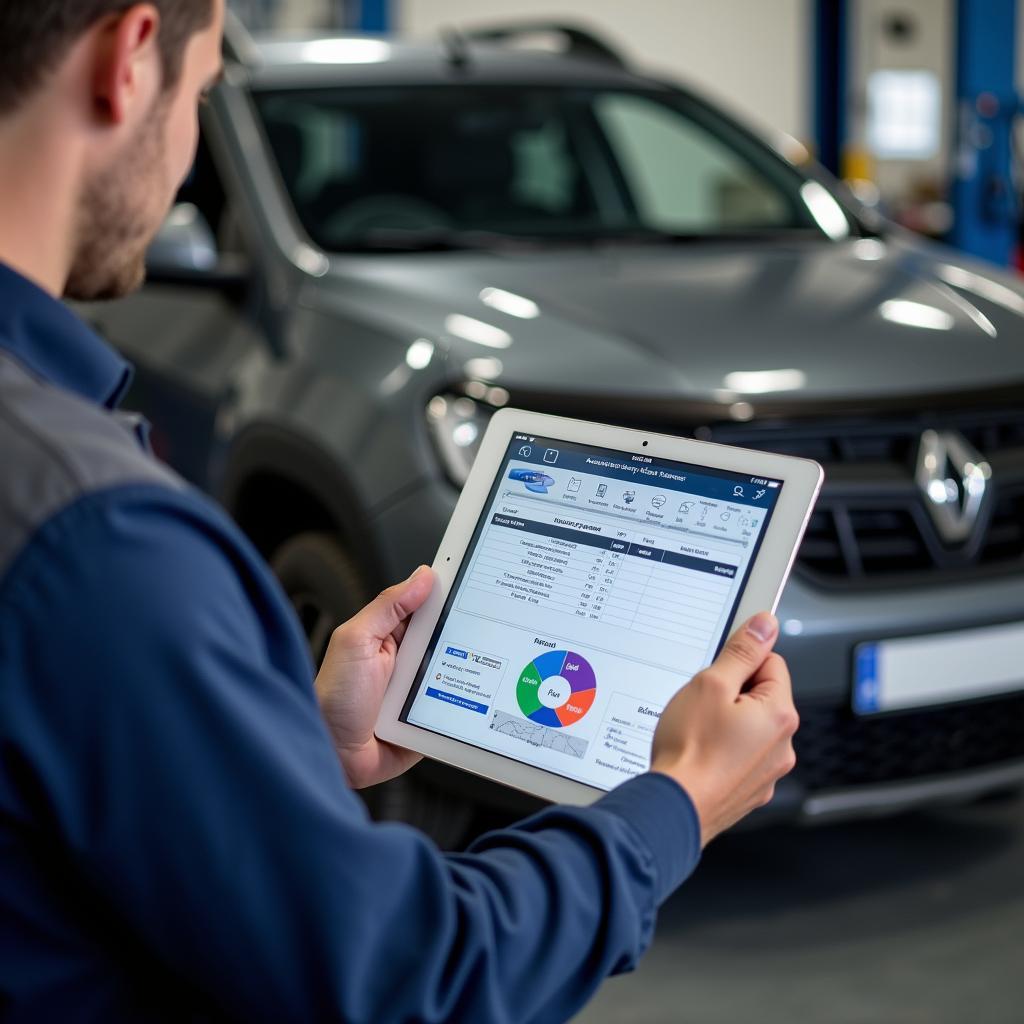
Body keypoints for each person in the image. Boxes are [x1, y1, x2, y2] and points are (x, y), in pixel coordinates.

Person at [0, 3, 799, 1021]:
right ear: (129, 57)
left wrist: (280, 743)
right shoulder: (96, 536)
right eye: (200, 95)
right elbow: (413, 978)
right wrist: (675, 802)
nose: (190, 144)